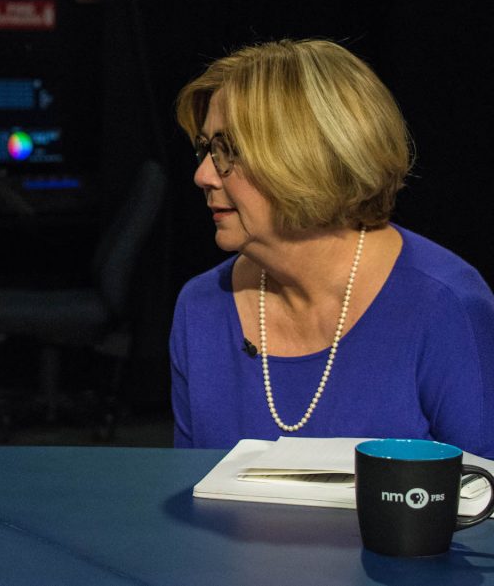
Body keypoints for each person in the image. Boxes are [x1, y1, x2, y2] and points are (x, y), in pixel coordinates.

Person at [170, 38, 494, 457]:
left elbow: (487, 508)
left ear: (310, 158)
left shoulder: (445, 306)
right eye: (205, 148)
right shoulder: (201, 308)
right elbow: (189, 500)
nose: (202, 175)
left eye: (227, 151)